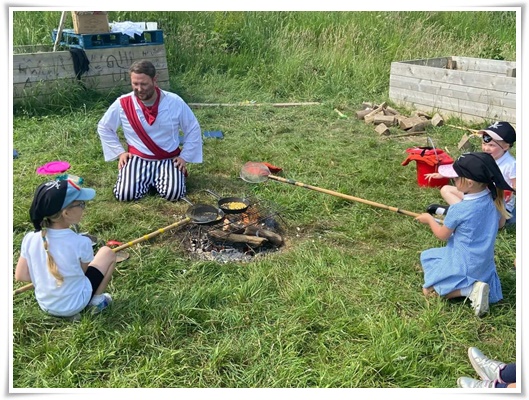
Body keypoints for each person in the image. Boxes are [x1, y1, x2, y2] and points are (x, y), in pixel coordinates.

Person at [415, 152, 514, 317]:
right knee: (429, 256)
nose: (452, 180)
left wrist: (429, 219)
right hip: (484, 263)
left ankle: (470, 290)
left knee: (428, 290)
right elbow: (500, 224)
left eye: (455, 178)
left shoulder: (458, 209)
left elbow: (442, 235)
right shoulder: (494, 198)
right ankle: (475, 286)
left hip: (464, 264)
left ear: (469, 183)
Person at [97, 60, 203, 202]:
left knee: (174, 194)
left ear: (154, 80)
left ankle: (161, 180)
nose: (139, 89)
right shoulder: (123, 103)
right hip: (138, 157)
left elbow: (192, 128)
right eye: (135, 84)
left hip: (167, 158)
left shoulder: (174, 101)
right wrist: (119, 152)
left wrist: (184, 157)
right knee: (125, 195)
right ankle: (144, 180)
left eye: (144, 84)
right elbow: (104, 127)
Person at [14, 179, 117, 319]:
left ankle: (68, 312)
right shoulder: (81, 242)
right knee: (107, 252)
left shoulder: (29, 238)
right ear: (66, 213)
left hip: (46, 305)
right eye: (81, 204)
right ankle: (96, 302)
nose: (84, 207)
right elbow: (82, 274)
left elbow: (20, 275)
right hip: (75, 304)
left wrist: (46, 278)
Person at [426, 121, 516, 227]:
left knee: (496, 222)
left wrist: (508, 192)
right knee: (446, 189)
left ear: (505, 146)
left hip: (497, 204)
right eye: (484, 144)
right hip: (479, 197)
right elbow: (465, 169)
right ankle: (461, 211)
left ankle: (458, 212)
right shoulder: (482, 158)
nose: (486, 148)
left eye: (491, 145)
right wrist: (444, 174)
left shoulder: (511, 164)